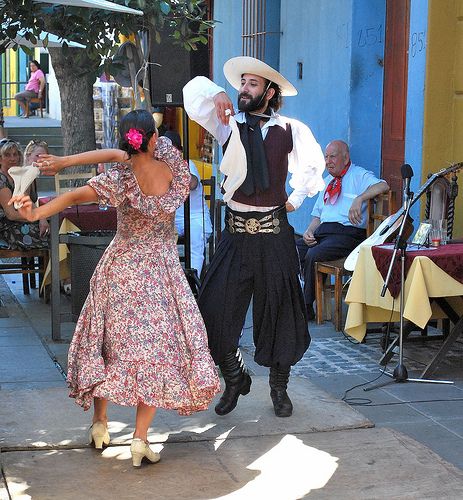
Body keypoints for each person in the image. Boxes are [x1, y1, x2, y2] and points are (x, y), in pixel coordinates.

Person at [11, 110, 220, 467]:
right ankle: (140, 439)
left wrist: (38, 210)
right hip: (161, 273)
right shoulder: (172, 164)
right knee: (157, 355)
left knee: (104, 344)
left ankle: (99, 422)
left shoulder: (121, 179)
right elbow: (120, 154)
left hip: (121, 270)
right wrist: (64, 161)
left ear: (126, 141)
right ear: (152, 139)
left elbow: (78, 195)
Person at [183, 56, 325, 418]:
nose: (243, 89)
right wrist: (216, 93)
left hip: (274, 234)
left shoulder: (290, 129)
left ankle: (278, 388)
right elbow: (191, 94)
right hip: (235, 236)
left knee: (281, 312)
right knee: (214, 309)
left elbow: (312, 167)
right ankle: (234, 377)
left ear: (269, 92)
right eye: (241, 83)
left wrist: (294, 199)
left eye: (251, 84)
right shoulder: (227, 124)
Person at [296, 140, 389, 320]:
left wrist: (360, 198)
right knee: (292, 249)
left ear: (345, 158)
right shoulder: (327, 182)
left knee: (314, 254)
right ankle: (294, 298)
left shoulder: (358, 175)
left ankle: (306, 306)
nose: (328, 161)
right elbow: (317, 216)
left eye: (333, 156)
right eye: (326, 157)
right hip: (324, 231)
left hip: (348, 234)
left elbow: (383, 185)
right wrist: (309, 231)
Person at [163, 130, 212, 275]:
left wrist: (175, 167)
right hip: (171, 219)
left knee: (196, 241)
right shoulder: (159, 166)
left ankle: (193, 282)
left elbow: (192, 183)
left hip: (194, 217)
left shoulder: (187, 163)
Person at [0, 139, 49, 249]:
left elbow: (26, 201)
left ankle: (50, 265)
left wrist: (41, 217)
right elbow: (11, 214)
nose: (12, 158)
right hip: (5, 227)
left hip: (18, 222)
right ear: (0, 159)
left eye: (15, 154)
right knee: (50, 238)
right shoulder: (1, 180)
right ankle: (53, 265)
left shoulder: (17, 176)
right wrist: (37, 217)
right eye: (7, 155)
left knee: (52, 229)